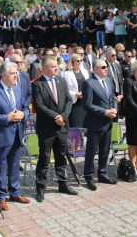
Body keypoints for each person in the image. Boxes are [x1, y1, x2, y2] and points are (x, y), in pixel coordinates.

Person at [0, 62, 30, 209]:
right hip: (1, 136)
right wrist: (6, 118)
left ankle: (15, 193)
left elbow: (25, 108)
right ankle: (1, 196)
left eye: (16, 73)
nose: (16, 75)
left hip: (16, 134)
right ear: (3, 75)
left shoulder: (17, 90)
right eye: (12, 73)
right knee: (0, 168)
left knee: (15, 166)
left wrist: (23, 114)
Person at [31, 55, 77, 202]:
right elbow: (39, 105)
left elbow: (69, 101)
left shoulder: (61, 80)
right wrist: (55, 117)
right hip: (47, 127)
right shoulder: (38, 84)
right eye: (53, 67)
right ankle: (40, 187)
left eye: (56, 66)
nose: (56, 68)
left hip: (62, 126)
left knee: (61, 156)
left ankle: (63, 183)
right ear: (45, 68)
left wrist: (63, 116)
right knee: (44, 158)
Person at [82, 59, 119, 191]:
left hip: (108, 122)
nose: (106, 69)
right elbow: (87, 105)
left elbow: (113, 98)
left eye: (107, 67)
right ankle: (89, 176)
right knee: (91, 151)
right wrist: (105, 112)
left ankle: (102, 173)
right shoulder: (89, 83)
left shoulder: (108, 80)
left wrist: (114, 109)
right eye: (103, 67)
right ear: (95, 69)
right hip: (95, 123)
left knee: (105, 150)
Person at [64, 54, 90, 128]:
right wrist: (75, 94)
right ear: (72, 62)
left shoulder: (85, 72)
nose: (80, 62)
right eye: (77, 61)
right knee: (76, 127)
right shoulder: (66, 74)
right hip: (74, 103)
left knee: (85, 127)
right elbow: (64, 90)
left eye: (81, 60)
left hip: (84, 102)